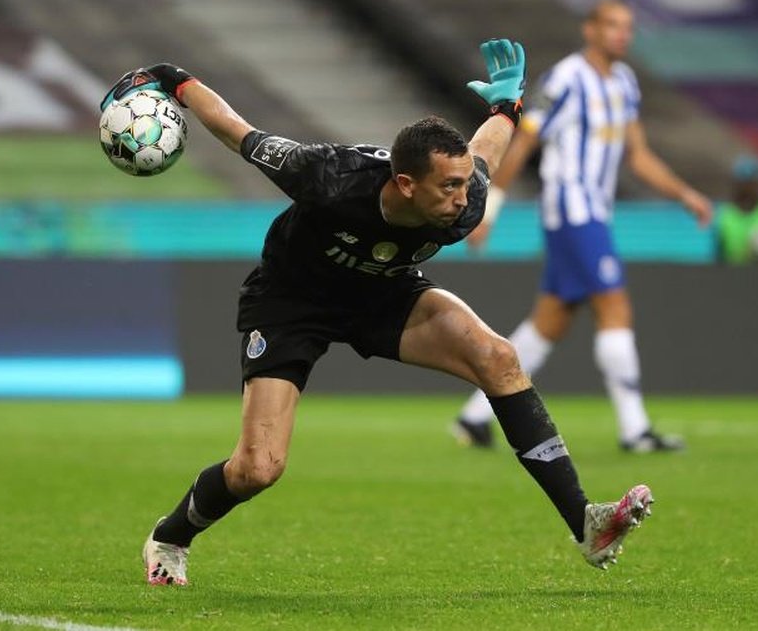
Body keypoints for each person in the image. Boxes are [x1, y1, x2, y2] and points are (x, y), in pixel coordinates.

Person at [100, 40, 655, 587]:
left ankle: (585, 523)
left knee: (498, 358)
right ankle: (172, 536)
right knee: (257, 469)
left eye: (465, 185)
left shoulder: (461, 203)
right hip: (292, 301)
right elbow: (235, 131)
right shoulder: (328, 176)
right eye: (449, 188)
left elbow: (485, 153)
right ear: (405, 184)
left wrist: (506, 107)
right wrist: (172, 78)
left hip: (384, 293)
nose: (463, 201)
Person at [454, 0, 714, 453]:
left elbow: (639, 156)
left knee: (548, 323)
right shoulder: (566, 79)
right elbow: (521, 142)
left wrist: (685, 194)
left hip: (594, 212)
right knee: (615, 307)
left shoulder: (625, 83)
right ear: (590, 29)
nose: (621, 34)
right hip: (572, 212)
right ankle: (634, 429)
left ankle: (475, 415)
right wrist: (488, 208)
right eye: (612, 25)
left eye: (627, 26)